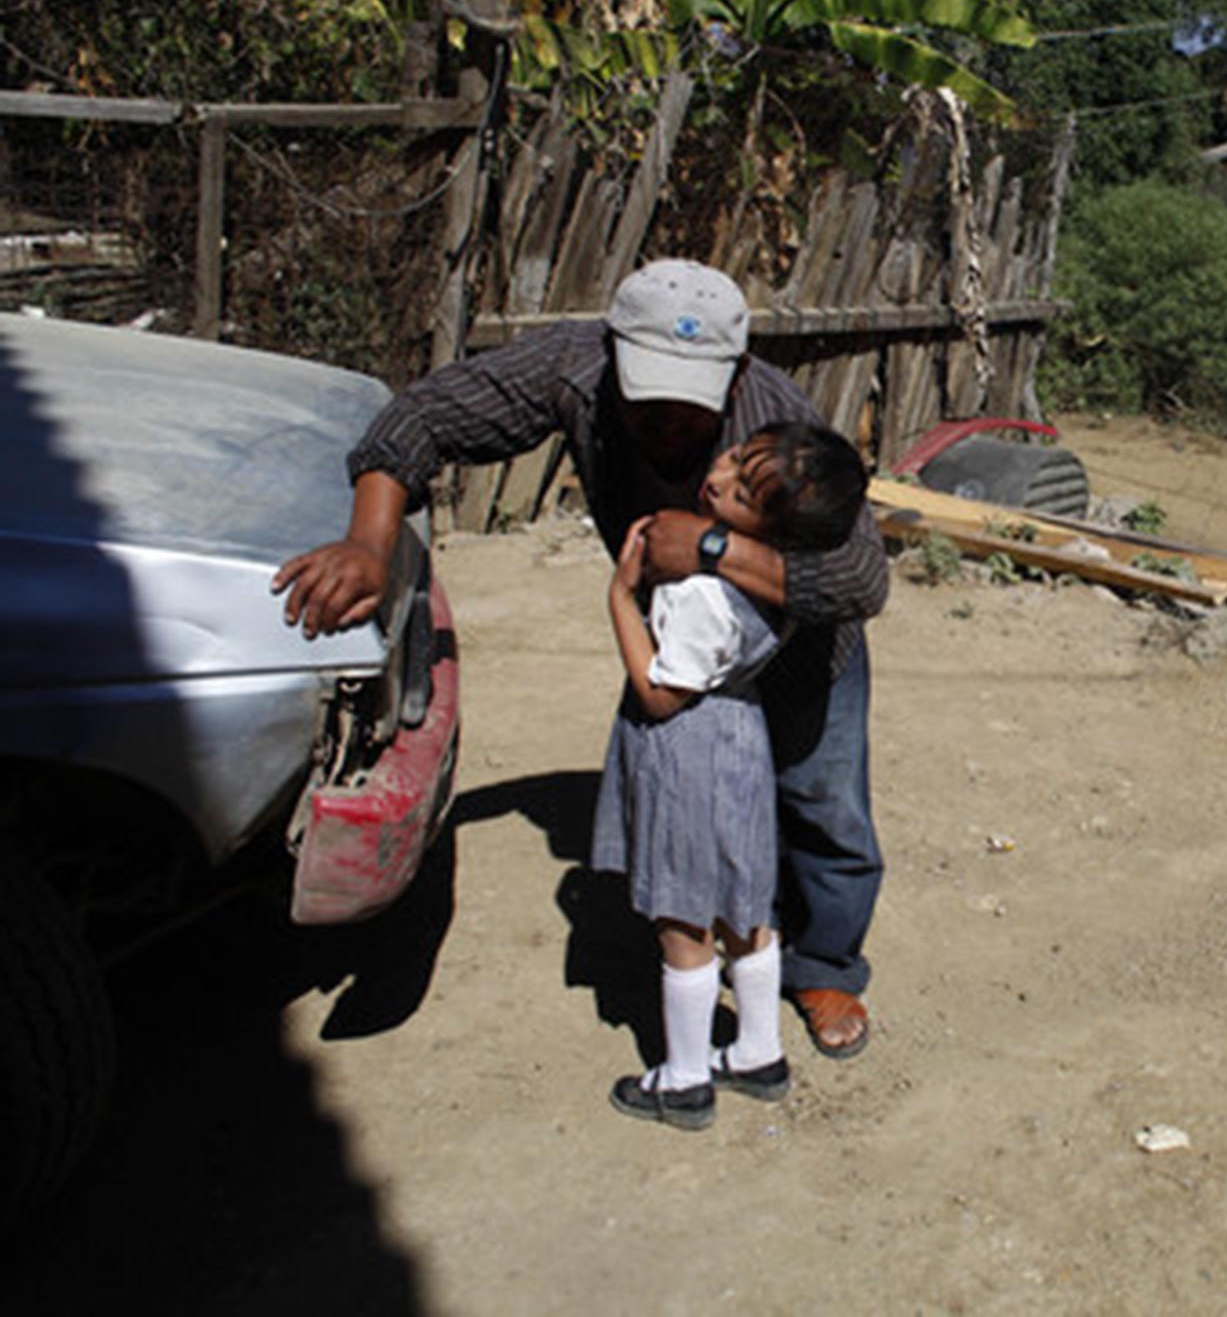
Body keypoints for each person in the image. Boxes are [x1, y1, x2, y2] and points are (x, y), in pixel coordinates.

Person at [272, 260, 888, 1059]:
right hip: (683, 648)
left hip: (801, 642)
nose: (669, 428)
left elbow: (861, 576)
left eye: (689, 410)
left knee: (820, 801)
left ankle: (826, 964)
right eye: (650, 402)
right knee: (702, 801)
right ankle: (705, 942)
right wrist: (369, 543)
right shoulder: (574, 367)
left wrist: (711, 546)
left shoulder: (774, 415)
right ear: (612, 355)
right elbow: (420, 420)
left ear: (735, 377)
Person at [598, 422, 868, 1131]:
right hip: (742, 738)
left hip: (688, 747)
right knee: (748, 907)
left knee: (683, 917)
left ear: (772, 528)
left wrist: (621, 601)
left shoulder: (702, 595)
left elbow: (661, 693)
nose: (717, 478)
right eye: (731, 461)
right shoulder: (772, 586)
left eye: (744, 489)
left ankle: (685, 1079)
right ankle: (757, 1051)